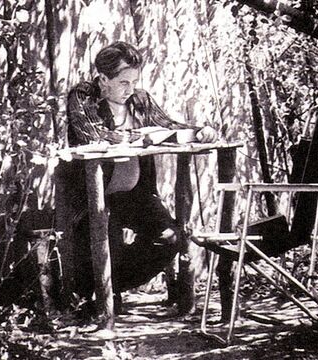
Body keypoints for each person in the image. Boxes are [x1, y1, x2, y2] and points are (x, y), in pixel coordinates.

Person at [63, 41, 215, 315]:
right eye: (123, 82)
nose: (129, 89)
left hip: (134, 196)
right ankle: (99, 293)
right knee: (107, 244)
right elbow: (89, 134)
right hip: (93, 196)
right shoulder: (83, 95)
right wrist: (132, 137)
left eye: (134, 81)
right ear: (103, 79)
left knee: (171, 238)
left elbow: (168, 126)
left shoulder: (139, 100)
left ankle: (110, 288)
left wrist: (200, 130)